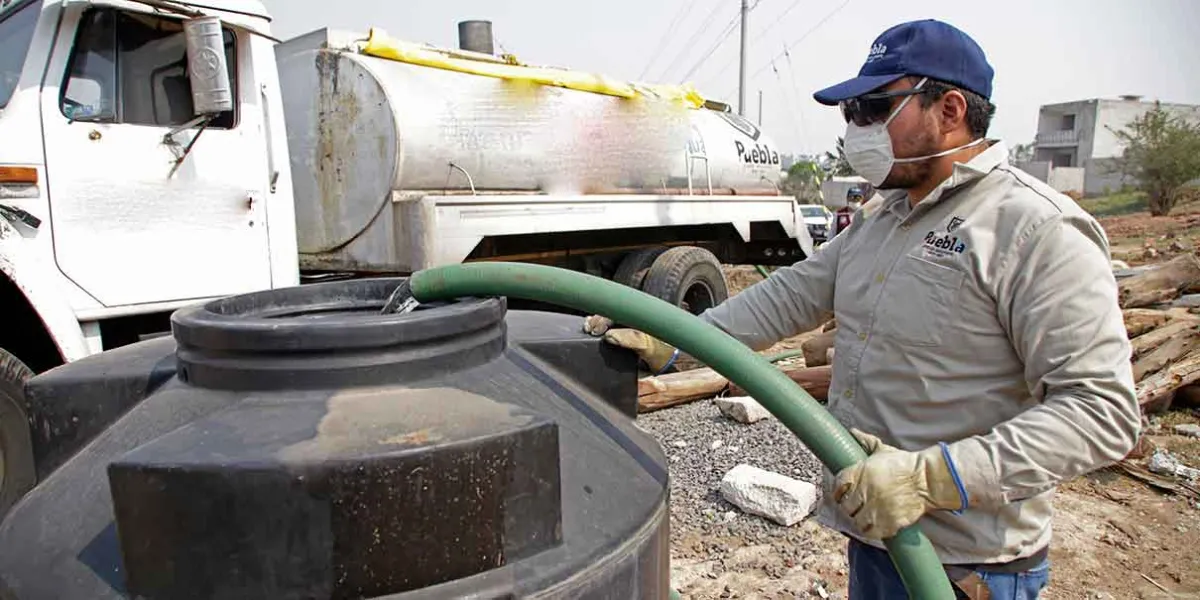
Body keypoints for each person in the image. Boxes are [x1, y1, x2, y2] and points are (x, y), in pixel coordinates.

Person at [586, 18, 1140, 600]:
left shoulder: (1035, 229)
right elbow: (791, 294)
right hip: (879, 532)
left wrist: (932, 479)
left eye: (874, 108)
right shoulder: (889, 217)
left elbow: (1101, 411)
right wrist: (678, 338)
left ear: (950, 109)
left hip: (969, 566)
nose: (857, 130)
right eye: (851, 114)